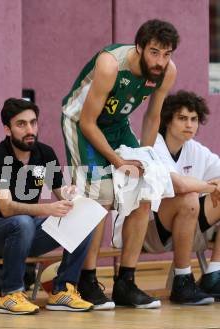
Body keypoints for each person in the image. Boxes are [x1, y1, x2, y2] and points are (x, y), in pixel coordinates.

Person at [61, 19, 179, 309]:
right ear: (138, 47)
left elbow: (153, 117)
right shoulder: (110, 65)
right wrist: (118, 161)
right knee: (99, 197)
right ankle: (87, 280)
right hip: (81, 123)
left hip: (117, 126)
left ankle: (126, 282)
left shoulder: (167, 72)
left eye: (166, 54)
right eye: (154, 52)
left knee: (143, 192)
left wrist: (145, 159)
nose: (160, 61)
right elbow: (88, 122)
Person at [0, 98, 94, 315]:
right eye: (21, 124)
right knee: (22, 221)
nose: (30, 130)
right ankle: (10, 294)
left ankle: (63, 289)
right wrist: (47, 209)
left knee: (84, 218)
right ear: (7, 130)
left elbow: (60, 192)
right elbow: (7, 209)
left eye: (33, 123)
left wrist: (72, 195)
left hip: (26, 233)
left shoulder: (44, 153)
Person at [144, 90, 220, 304]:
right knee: (188, 197)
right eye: (182, 118)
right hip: (147, 231)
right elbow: (178, 184)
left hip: (186, 226)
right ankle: (182, 280)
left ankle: (214, 274)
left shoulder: (196, 149)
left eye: (194, 119)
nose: (189, 125)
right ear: (168, 120)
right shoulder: (154, 144)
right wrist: (209, 186)